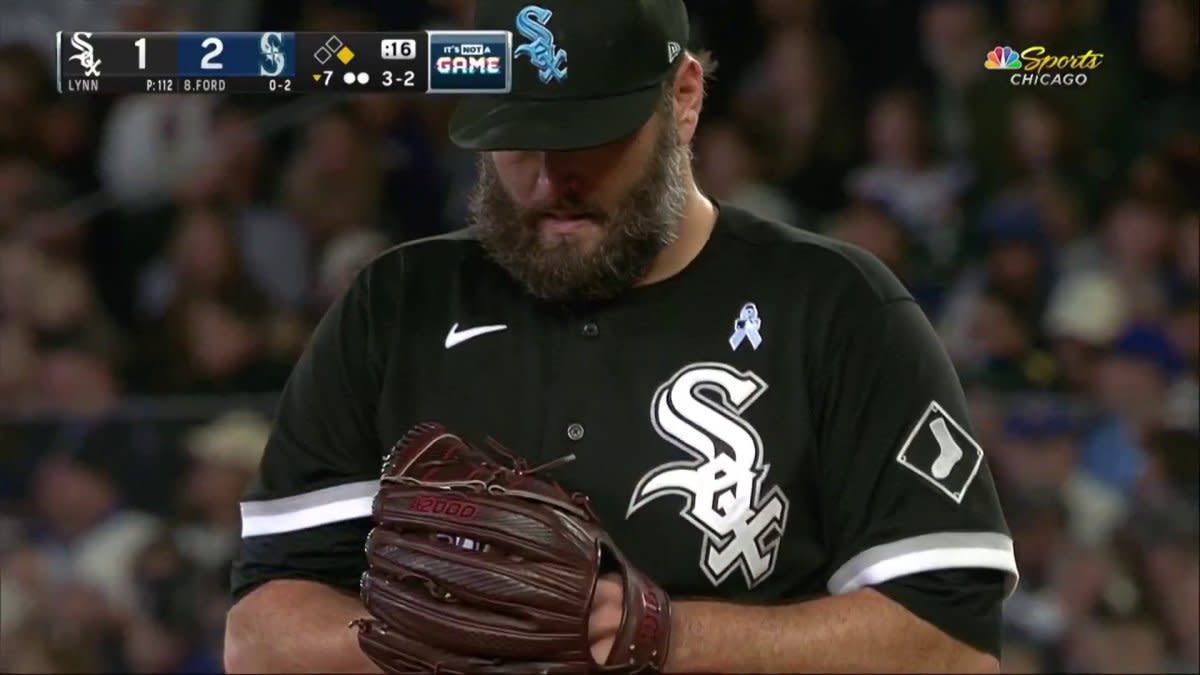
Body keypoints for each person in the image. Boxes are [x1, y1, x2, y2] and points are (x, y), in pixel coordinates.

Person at [223, 1, 1017, 671]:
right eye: (520, 136)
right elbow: (258, 631)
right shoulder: (394, 308)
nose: (548, 176)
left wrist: (667, 636)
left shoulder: (836, 309)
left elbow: (954, 640)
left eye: (586, 135)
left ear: (683, 99)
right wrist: (443, 642)